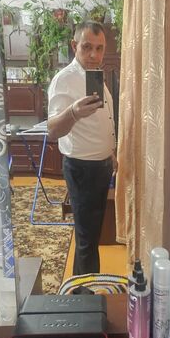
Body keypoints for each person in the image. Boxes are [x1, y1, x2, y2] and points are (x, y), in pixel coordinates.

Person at [47, 21, 117, 275]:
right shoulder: (64, 80)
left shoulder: (94, 75)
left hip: (100, 166)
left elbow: (102, 121)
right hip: (82, 168)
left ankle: (82, 290)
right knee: (87, 239)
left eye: (99, 48)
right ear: (74, 45)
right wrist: (73, 112)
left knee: (91, 234)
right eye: (87, 47)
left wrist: (111, 153)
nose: (94, 55)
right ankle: (87, 292)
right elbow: (53, 130)